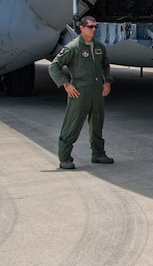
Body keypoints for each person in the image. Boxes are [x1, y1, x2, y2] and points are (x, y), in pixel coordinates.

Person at [48, 15, 114, 170]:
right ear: (81, 28)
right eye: (90, 27)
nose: (93, 30)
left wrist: (107, 81)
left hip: (96, 90)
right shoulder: (73, 48)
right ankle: (65, 158)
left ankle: (98, 154)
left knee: (97, 123)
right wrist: (66, 84)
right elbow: (54, 66)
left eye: (95, 26)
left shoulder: (99, 47)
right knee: (73, 124)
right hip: (80, 90)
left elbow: (105, 65)